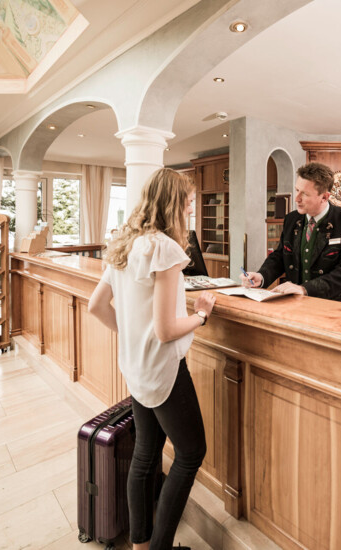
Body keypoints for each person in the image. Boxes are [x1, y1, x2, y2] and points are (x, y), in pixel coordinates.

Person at [88, 168, 215, 550]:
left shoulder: (126, 244)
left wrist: (131, 336)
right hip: (163, 368)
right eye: (189, 203)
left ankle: (141, 544)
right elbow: (165, 330)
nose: (191, 210)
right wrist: (202, 314)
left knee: (146, 451)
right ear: (175, 205)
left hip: (135, 367)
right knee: (191, 454)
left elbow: (96, 306)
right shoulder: (165, 248)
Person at [240, 162, 341, 303]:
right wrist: (262, 276)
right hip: (298, 304)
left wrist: (305, 289)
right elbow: (281, 256)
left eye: (304, 194)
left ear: (324, 197)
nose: (296, 198)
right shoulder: (291, 219)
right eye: (297, 190)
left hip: (335, 305)